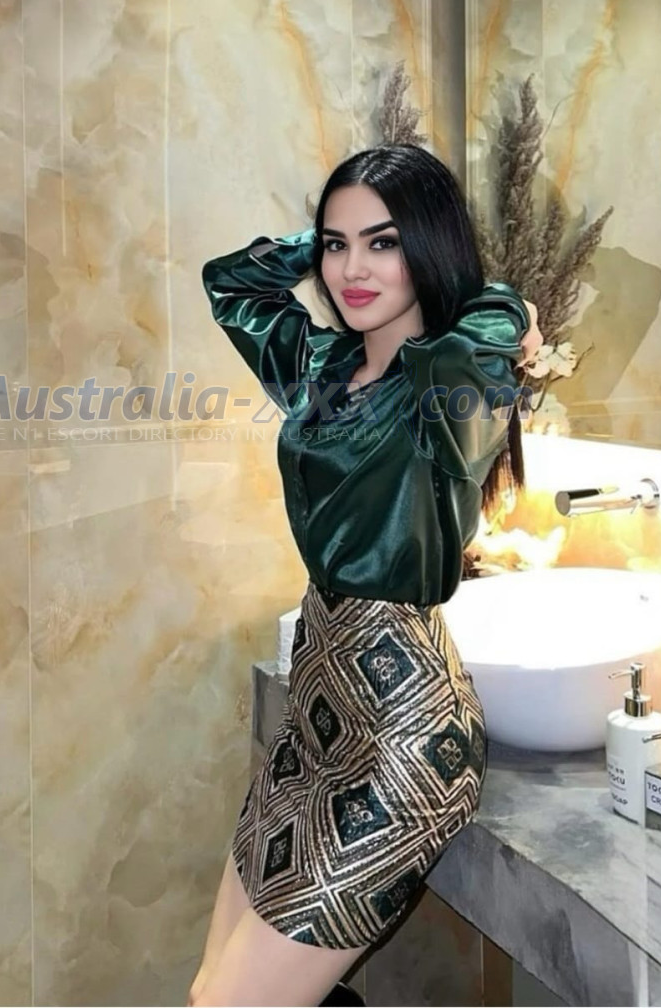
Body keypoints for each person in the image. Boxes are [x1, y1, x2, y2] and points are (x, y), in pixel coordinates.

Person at [189, 144, 544, 1007]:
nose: (352, 269)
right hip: (317, 715)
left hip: (401, 735)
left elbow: (493, 318)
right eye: (335, 245)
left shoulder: (446, 389)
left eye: (383, 242)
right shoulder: (322, 369)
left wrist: (510, 305)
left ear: (426, 246)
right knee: (210, 991)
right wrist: (312, 243)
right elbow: (231, 283)